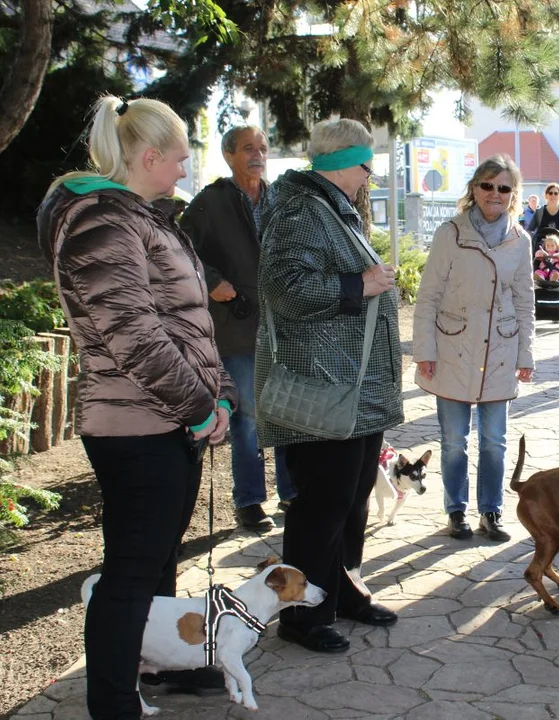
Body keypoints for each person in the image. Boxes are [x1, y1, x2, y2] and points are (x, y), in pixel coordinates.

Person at [37, 95, 238, 719]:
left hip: (167, 417)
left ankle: (154, 667)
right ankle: (114, 702)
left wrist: (218, 395)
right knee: (130, 571)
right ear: (149, 157)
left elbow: (189, 323)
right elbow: (133, 334)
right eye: (180, 159)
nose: (184, 171)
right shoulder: (103, 222)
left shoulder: (139, 218)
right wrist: (200, 408)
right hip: (135, 425)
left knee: (153, 564)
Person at [256, 118, 403, 654]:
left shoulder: (327, 207)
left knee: (350, 496)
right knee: (322, 504)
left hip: (348, 387)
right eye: (368, 165)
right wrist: (358, 284)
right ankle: (301, 613)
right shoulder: (300, 208)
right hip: (322, 387)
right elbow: (284, 286)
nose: (370, 176)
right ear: (345, 162)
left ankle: (338, 592)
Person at [413, 155, 536, 542]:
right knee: (453, 442)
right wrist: (425, 350)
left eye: (503, 188)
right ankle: (456, 511)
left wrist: (525, 354)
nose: (494, 194)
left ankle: (491, 511)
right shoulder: (450, 233)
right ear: (474, 189)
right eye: (487, 185)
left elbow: (524, 300)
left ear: (512, 194)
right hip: (454, 348)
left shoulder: (521, 239)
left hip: (499, 351)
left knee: (495, 443)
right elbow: (429, 295)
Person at [180, 125, 296, 532]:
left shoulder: (282, 199)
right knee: (247, 416)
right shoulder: (210, 202)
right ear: (229, 155)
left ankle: (291, 494)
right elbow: (179, 249)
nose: (257, 155)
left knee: (286, 413)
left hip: (282, 326)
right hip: (237, 327)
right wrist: (211, 282)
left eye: (263, 147)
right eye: (248, 148)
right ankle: (249, 501)